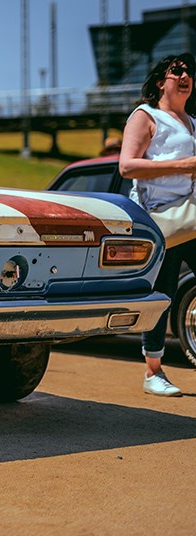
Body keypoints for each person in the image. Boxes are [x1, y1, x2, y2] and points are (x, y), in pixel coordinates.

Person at [119, 52, 196, 397]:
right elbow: (127, 167)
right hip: (162, 221)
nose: (184, 76)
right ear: (158, 81)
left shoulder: (191, 122)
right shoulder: (146, 115)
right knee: (162, 295)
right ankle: (153, 372)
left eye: (189, 72)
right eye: (175, 71)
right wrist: (183, 165)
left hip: (192, 216)